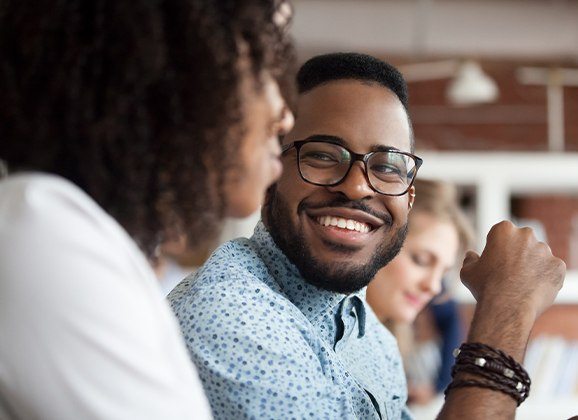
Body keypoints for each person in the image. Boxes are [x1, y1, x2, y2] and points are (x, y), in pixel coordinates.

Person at [169, 52, 565, 419]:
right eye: (323, 155)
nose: (358, 187)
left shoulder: (367, 330)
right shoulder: (232, 316)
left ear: (408, 196)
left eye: (388, 166)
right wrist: (506, 308)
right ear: (273, 170)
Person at [0, 1, 295, 419]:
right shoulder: (44, 231)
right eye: (262, 72)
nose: (284, 115)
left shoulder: (78, 236)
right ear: (173, 81)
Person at [366, 178, 474, 405]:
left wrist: (438, 386)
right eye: (421, 260)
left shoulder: (385, 347)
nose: (434, 287)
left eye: (443, 273)